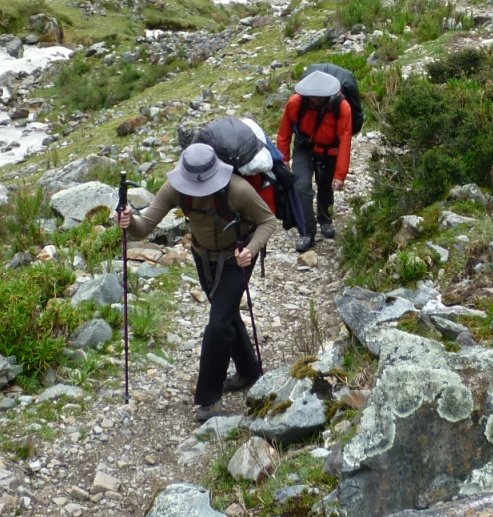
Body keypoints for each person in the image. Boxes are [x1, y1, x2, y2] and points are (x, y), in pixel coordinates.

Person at [116, 142, 277, 420]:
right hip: (203, 259)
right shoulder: (175, 188)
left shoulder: (238, 189)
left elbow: (268, 221)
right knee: (224, 317)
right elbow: (144, 229)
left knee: (217, 325)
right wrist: (129, 221)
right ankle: (250, 372)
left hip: (236, 259)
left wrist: (250, 251)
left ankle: (209, 399)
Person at [276, 68, 353, 246]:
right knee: (301, 187)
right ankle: (306, 232)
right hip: (304, 148)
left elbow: (345, 140)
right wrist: (283, 159)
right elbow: (284, 132)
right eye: (312, 96)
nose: (315, 99)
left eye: (320, 97)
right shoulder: (296, 102)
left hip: (330, 150)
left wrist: (340, 175)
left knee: (326, 186)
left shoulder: (342, 107)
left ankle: (325, 220)